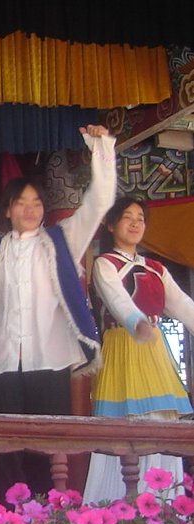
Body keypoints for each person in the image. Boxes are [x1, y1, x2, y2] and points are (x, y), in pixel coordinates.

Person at [0, 125, 117, 501]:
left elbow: (98, 202)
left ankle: (50, 518)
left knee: (51, 449)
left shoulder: (63, 240)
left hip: (50, 362)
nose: (31, 209)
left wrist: (101, 147)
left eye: (37, 203)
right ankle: (10, 519)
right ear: (8, 209)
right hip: (3, 362)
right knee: (6, 449)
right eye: (22, 202)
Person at [83, 197, 194, 503]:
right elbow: (117, 300)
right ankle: (114, 507)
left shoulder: (156, 268)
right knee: (124, 428)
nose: (135, 224)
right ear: (110, 224)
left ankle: (163, 507)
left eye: (140, 218)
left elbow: (183, 305)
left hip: (155, 353)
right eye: (127, 217)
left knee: (161, 423)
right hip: (123, 348)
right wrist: (137, 323)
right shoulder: (106, 263)